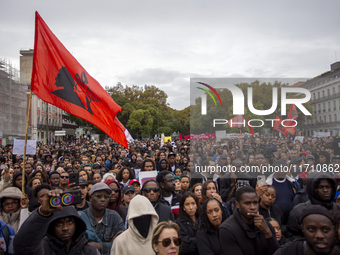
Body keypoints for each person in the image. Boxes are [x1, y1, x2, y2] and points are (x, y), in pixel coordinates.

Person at [13, 189, 100, 255]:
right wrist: (42, 214)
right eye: (59, 224)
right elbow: (22, 247)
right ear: (51, 226)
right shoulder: (42, 248)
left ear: (76, 225)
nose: (65, 228)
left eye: (69, 222)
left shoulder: (90, 251)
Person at [219, 186, 279, 255]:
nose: (253, 207)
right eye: (247, 203)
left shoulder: (266, 226)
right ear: (237, 204)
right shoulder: (227, 230)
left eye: (255, 203)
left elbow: (277, 252)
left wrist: (267, 233)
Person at [286, 172, 340, 240]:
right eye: (321, 187)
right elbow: (291, 235)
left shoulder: (338, 209)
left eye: (328, 187)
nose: (325, 190)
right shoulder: (298, 211)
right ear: (313, 189)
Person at [274, 205, 340, 254]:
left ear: (333, 229)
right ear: (303, 229)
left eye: (325, 230)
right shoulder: (286, 252)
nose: (319, 236)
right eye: (311, 229)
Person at [81, 182, 125, 255]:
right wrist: (110, 244)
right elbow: (80, 247)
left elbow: (121, 245)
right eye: (99, 196)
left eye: (106, 197)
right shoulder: (81, 217)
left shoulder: (115, 217)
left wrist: (100, 246)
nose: (103, 199)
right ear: (91, 198)